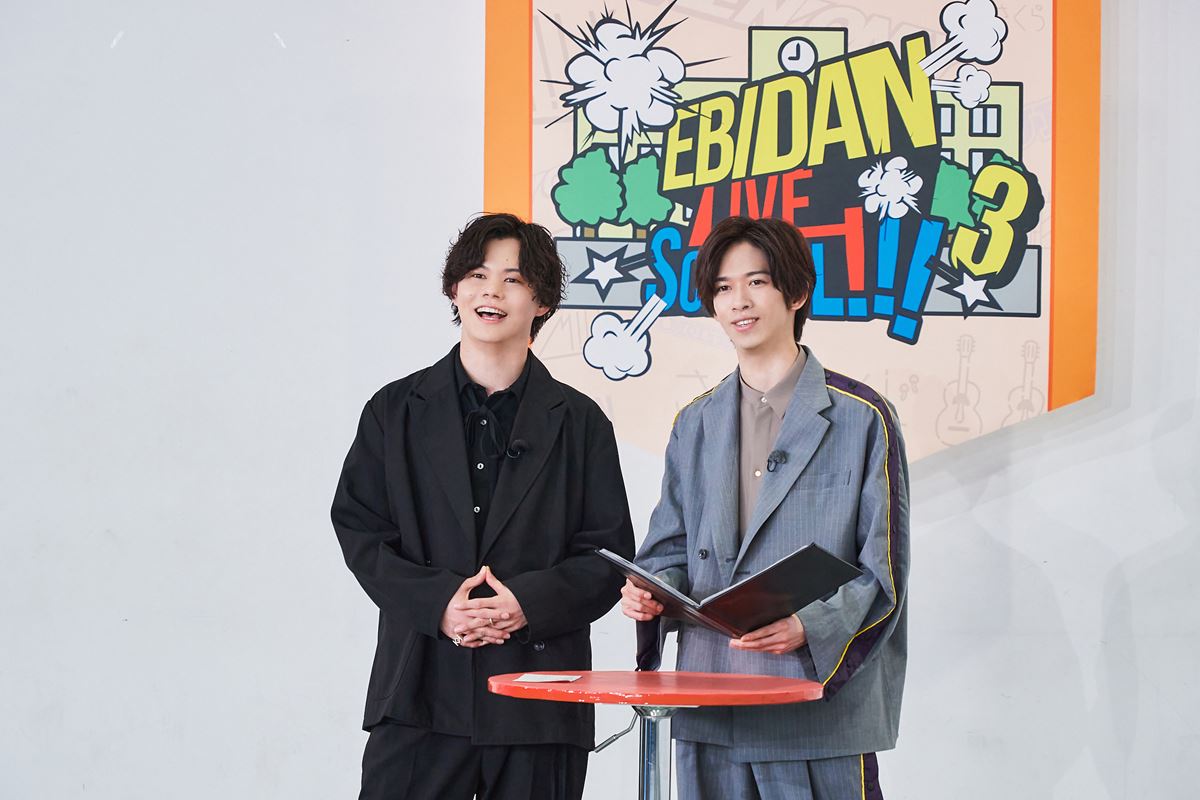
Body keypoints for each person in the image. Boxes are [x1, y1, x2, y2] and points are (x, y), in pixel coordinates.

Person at [333, 212, 635, 800]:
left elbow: (608, 556)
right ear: (454, 289)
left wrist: (526, 604)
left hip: (540, 699)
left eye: (513, 279)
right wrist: (440, 604)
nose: (491, 291)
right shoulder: (393, 411)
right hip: (419, 688)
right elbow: (360, 530)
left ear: (542, 302)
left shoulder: (581, 422)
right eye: (477, 274)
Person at [622, 216, 909, 800]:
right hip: (710, 698)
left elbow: (884, 573)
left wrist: (810, 625)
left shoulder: (862, 417)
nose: (739, 302)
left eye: (756, 282)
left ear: (796, 292)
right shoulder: (694, 422)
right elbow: (668, 551)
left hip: (813, 707)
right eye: (723, 288)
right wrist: (650, 592)